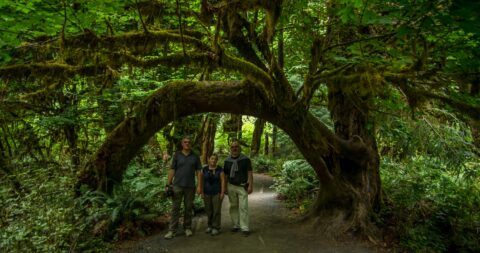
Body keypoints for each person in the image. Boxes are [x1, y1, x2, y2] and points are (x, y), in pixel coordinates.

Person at [164, 136, 202, 239]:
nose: (187, 144)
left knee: (188, 208)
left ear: (191, 144)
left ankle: (187, 228)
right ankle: (172, 230)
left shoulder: (195, 156)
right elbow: (172, 169)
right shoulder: (177, 155)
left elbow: (199, 172)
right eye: (185, 142)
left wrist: (199, 185)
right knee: (175, 208)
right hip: (177, 186)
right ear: (182, 143)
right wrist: (168, 184)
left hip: (190, 186)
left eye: (189, 142)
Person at [223, 140, 253, 236]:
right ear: (230, 149)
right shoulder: (227, 161)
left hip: (242, 186)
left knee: (243, 207)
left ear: (239, 148)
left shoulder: (245, 159)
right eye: (232, 147)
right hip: (231, 186)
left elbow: (249, 173)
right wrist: (224, 187)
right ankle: (235, 225)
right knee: (233, 206)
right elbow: (225, 175)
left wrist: (251, 185)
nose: (234, 148)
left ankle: (245, 228)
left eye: (236, 147)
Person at [199, 153, 226, 236]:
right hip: (207, 193)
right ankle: (209, 226)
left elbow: (223, 181)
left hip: (216, 193)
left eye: (215, 159)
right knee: (209, 210)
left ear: (217, 160)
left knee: (216, 210)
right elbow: (201, 181)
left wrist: (222, 193)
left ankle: (216, 227)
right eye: (212, 158)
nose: (213, 160)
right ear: (208, 159)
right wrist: (202, 192)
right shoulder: (204, 169)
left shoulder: (220, 169)